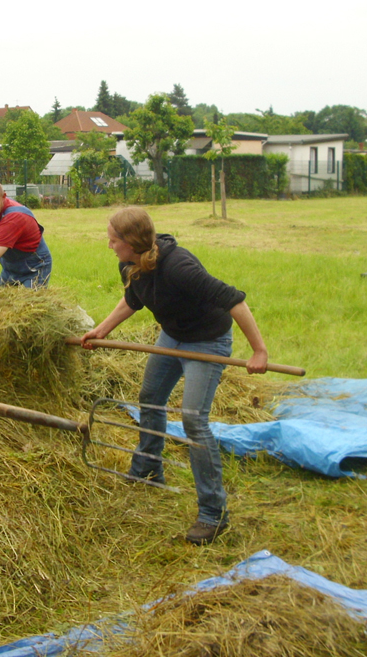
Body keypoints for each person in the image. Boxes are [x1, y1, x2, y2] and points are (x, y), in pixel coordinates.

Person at [79, 207, 268, 546]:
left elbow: (234, 301)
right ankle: (149, 468)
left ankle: (213, 513)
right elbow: (132, 300)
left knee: (194, 420)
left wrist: (259, 352)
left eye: (113, 240)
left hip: (207, 341)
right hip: (172, 336)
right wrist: (101, 331)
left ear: (131, 241)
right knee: (150, 398)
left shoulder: (179, 267)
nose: (109, 246)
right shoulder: (130, 263)